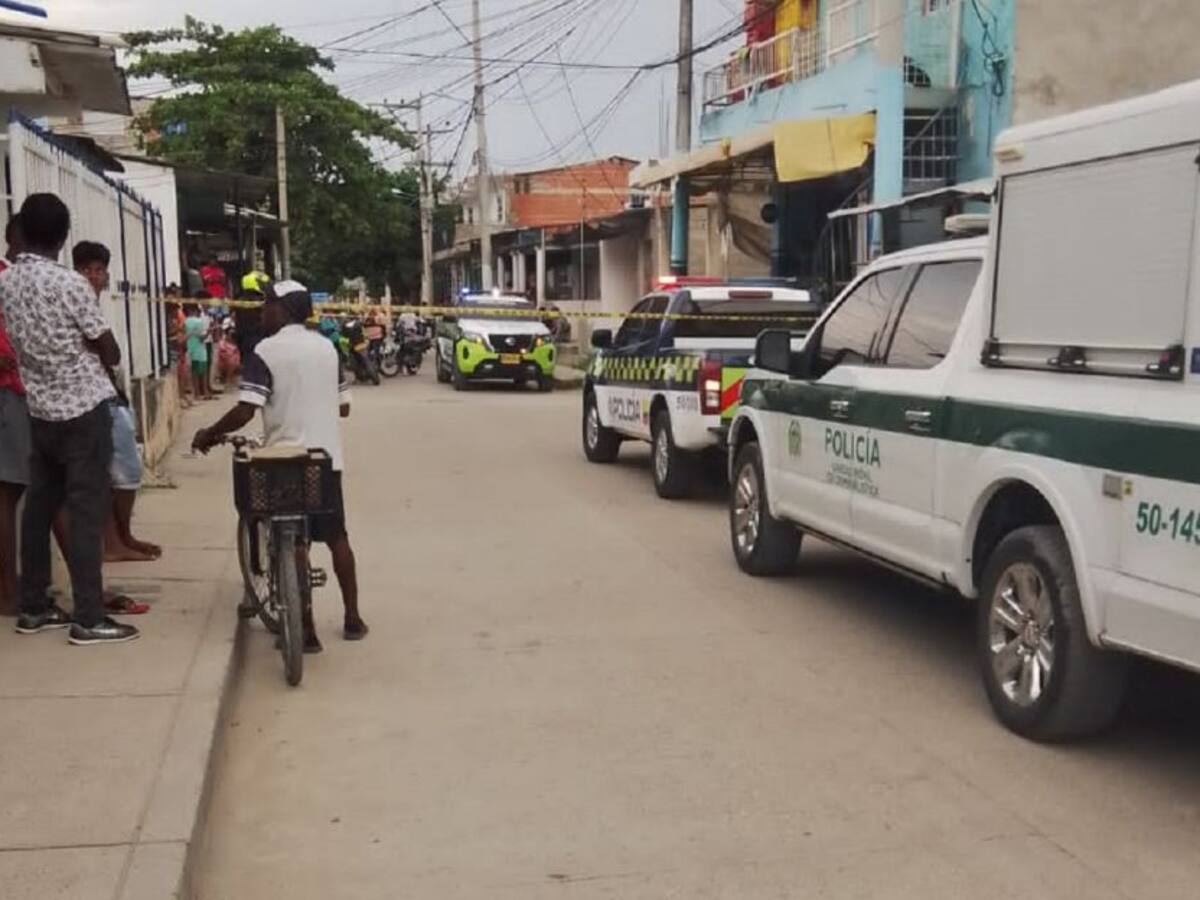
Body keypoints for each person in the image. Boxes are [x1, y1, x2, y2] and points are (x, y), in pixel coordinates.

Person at [193, 281, 367, 651]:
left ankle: (306, 630)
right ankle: (353, 618)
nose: (262, 310)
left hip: (283, 461)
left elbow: (245, 409)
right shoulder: (326, 348)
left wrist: (209, 433)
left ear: (283, 309)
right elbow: (344, 406)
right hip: (326, 460)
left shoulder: (265, 350)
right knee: (337, 537)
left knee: (295, 538)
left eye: (267, 303)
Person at [0, 193, 138, 645]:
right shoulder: (70, 284)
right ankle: (89, 616)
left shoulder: (8, 283)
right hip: (83, 408)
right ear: (62, 236)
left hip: (40, 408)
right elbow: (109, 349)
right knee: (85, 511)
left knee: (38, 508)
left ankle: (34, 607)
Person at [73, 240, 162, 569]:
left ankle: (122, 535)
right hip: (97, 400)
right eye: (87, 270)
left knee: (120, 473)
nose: (94, 277)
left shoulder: (94, 305)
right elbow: (108, 353)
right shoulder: (78, 304)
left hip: (110, 396)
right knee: (121, 474)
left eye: (99, 270)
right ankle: (114, 541)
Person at [0, 216, 30, 616]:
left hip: (17, 389)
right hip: (9, 390)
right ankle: (8, 590)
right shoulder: (7, 278)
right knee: (7, 493)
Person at [184, 302, 212, 401]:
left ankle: (196, 393)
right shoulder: (198, 322)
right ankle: (204, 392)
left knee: (194, 372)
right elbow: (201, 338)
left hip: (190, 348)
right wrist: (209, 332)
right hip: (200, 349)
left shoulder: (185, 321)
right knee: (203, 372)